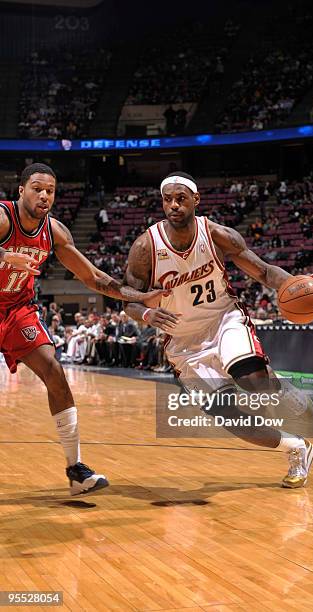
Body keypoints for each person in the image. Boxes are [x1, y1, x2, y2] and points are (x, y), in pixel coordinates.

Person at [123, 172, 313, 489]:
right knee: (229, 416)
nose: (174, 205)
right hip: (183, 343)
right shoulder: (145, 247)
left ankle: (280, 389)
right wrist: (145, 312)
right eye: (168, 199)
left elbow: (265, 271)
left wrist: (294, 285)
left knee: (253, 382)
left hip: (223, 319)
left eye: (181, 198)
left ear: (195, 200)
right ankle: (298, 448)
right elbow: (127, 299)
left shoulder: (216, 235)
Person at [0, 163, 165, 495]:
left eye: (50, 190)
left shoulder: (55, 232)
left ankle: (76, 469)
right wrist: (5, 255)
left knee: (54, 370)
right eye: (36, 188)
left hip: (17, 309)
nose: (44, 195)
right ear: (21, 191)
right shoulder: (3, 218)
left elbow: (94, 278)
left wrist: (138, 296)